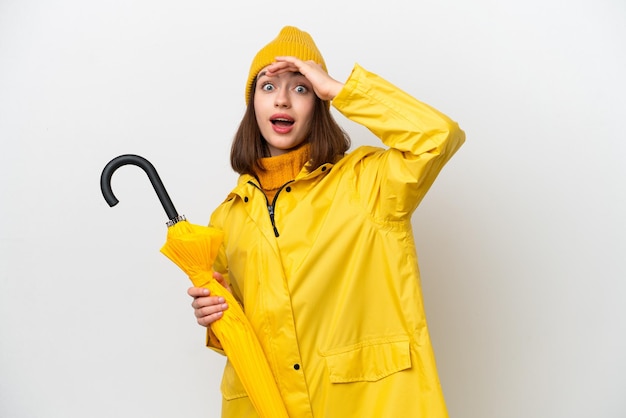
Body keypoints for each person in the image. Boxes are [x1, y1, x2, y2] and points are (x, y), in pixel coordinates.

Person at [187, 25, 465, 418]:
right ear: (253, 106)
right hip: (265, 405)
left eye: (300, 88)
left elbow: (438, 137)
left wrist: (339, 89)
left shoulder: (367, 183)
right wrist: (214, 318)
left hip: (362, 404)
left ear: (318, 102)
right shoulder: (228, 215)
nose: (282, 99)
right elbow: (241, 326)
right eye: (268, 87)